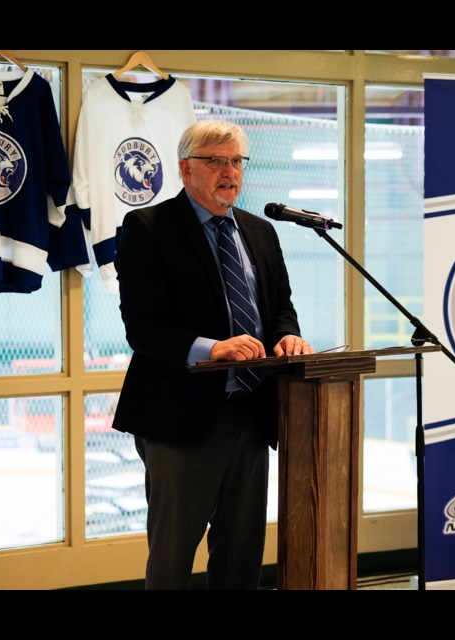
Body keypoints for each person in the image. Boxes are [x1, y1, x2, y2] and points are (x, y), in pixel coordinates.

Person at [112, 119, 314, 589]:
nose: (229, 172)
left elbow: (280, 308)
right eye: (215, 161)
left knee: (242, 555)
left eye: (236, 161)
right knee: (173, 554)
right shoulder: (147, 227)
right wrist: (213, 349)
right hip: (180, 418)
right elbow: (143, 328)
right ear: (186, 170)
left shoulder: (261, 231)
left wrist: (289, 337)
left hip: (251, 410)